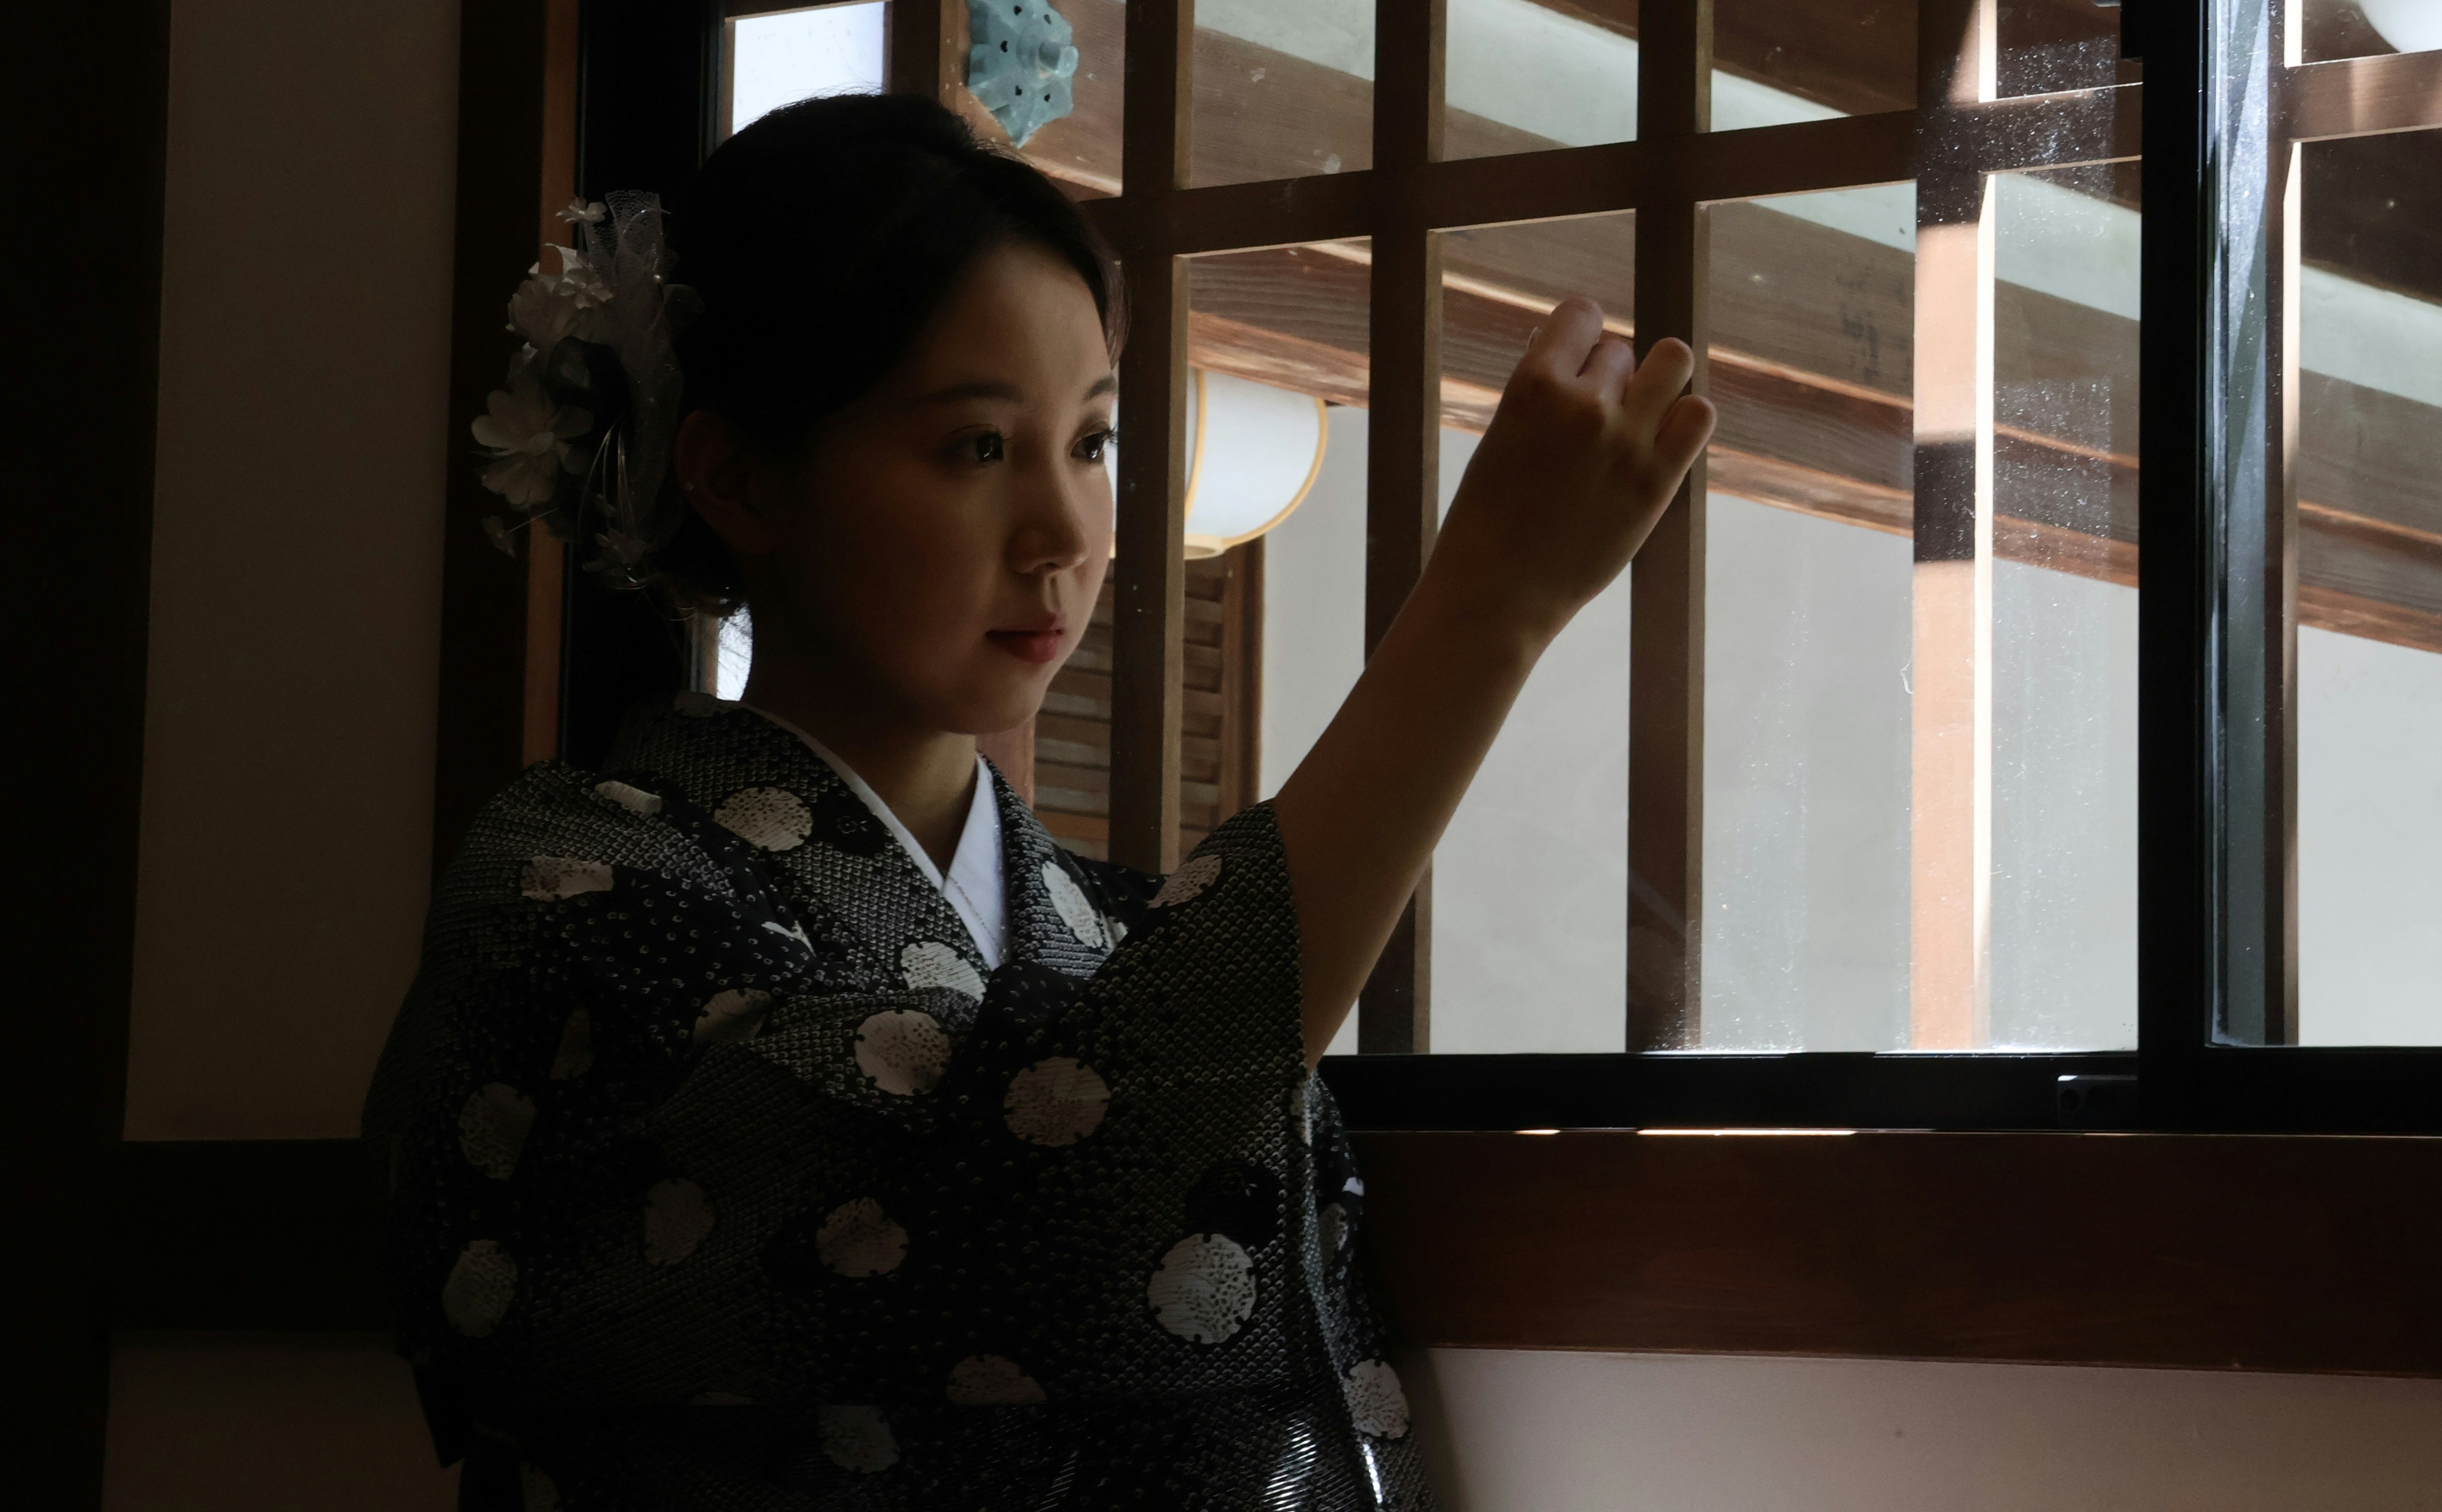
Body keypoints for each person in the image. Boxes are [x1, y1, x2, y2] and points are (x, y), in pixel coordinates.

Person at [365, 90, 1715, 1510]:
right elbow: (1044, 1194)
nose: (1068, 532)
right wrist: (1483, 613)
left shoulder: (1123, 940)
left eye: (1091, 443)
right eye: (976, 446)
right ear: (738, 477)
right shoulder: (576, 891)